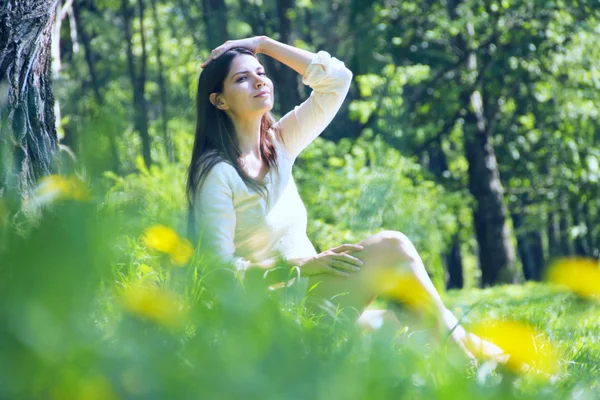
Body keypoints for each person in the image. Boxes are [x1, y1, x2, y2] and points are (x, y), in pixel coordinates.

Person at [186, 35, 505, 362]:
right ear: (219, 101)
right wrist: (303, 266)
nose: (258, 81)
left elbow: (336, 80)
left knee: (419, 318)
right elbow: (217, 274)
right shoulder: (216, 173)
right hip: (273, 321)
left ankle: (518, 371)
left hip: (312, 296)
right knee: (392, 246)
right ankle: (466, 366)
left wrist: (264, 44)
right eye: (242, 79)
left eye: (260, 72)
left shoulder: (277, 145)